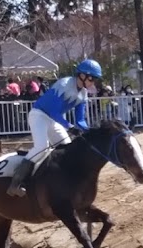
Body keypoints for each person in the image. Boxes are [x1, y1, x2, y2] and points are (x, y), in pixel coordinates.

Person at [7, 59, 102, 197]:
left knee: (68, 148)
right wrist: (70, 127)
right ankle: (15, 183)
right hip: (39, 115)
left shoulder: (83, 94)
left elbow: (80, 120)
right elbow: (53, 112)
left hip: (53, 120)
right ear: (82, 75)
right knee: (41, 146)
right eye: (92, 78)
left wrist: (88, 132)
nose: (93, 82)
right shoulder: (64, 84)